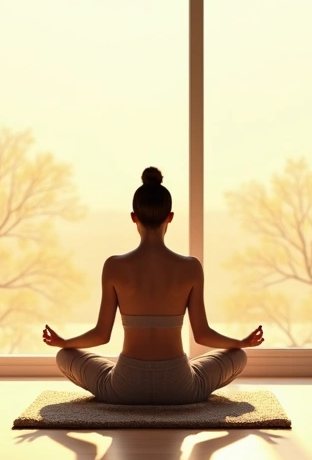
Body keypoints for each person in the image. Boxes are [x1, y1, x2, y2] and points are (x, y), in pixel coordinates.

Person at [42, 167, 264, 405]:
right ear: (170, 217)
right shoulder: (190, 267)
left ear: (134, 217)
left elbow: (101, 335)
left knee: (64, 356)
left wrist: (63, 342)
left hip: (124, 388)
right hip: (180, 388)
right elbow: (202, 334)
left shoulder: (114, 266)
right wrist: (241, 343)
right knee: (238, 356)